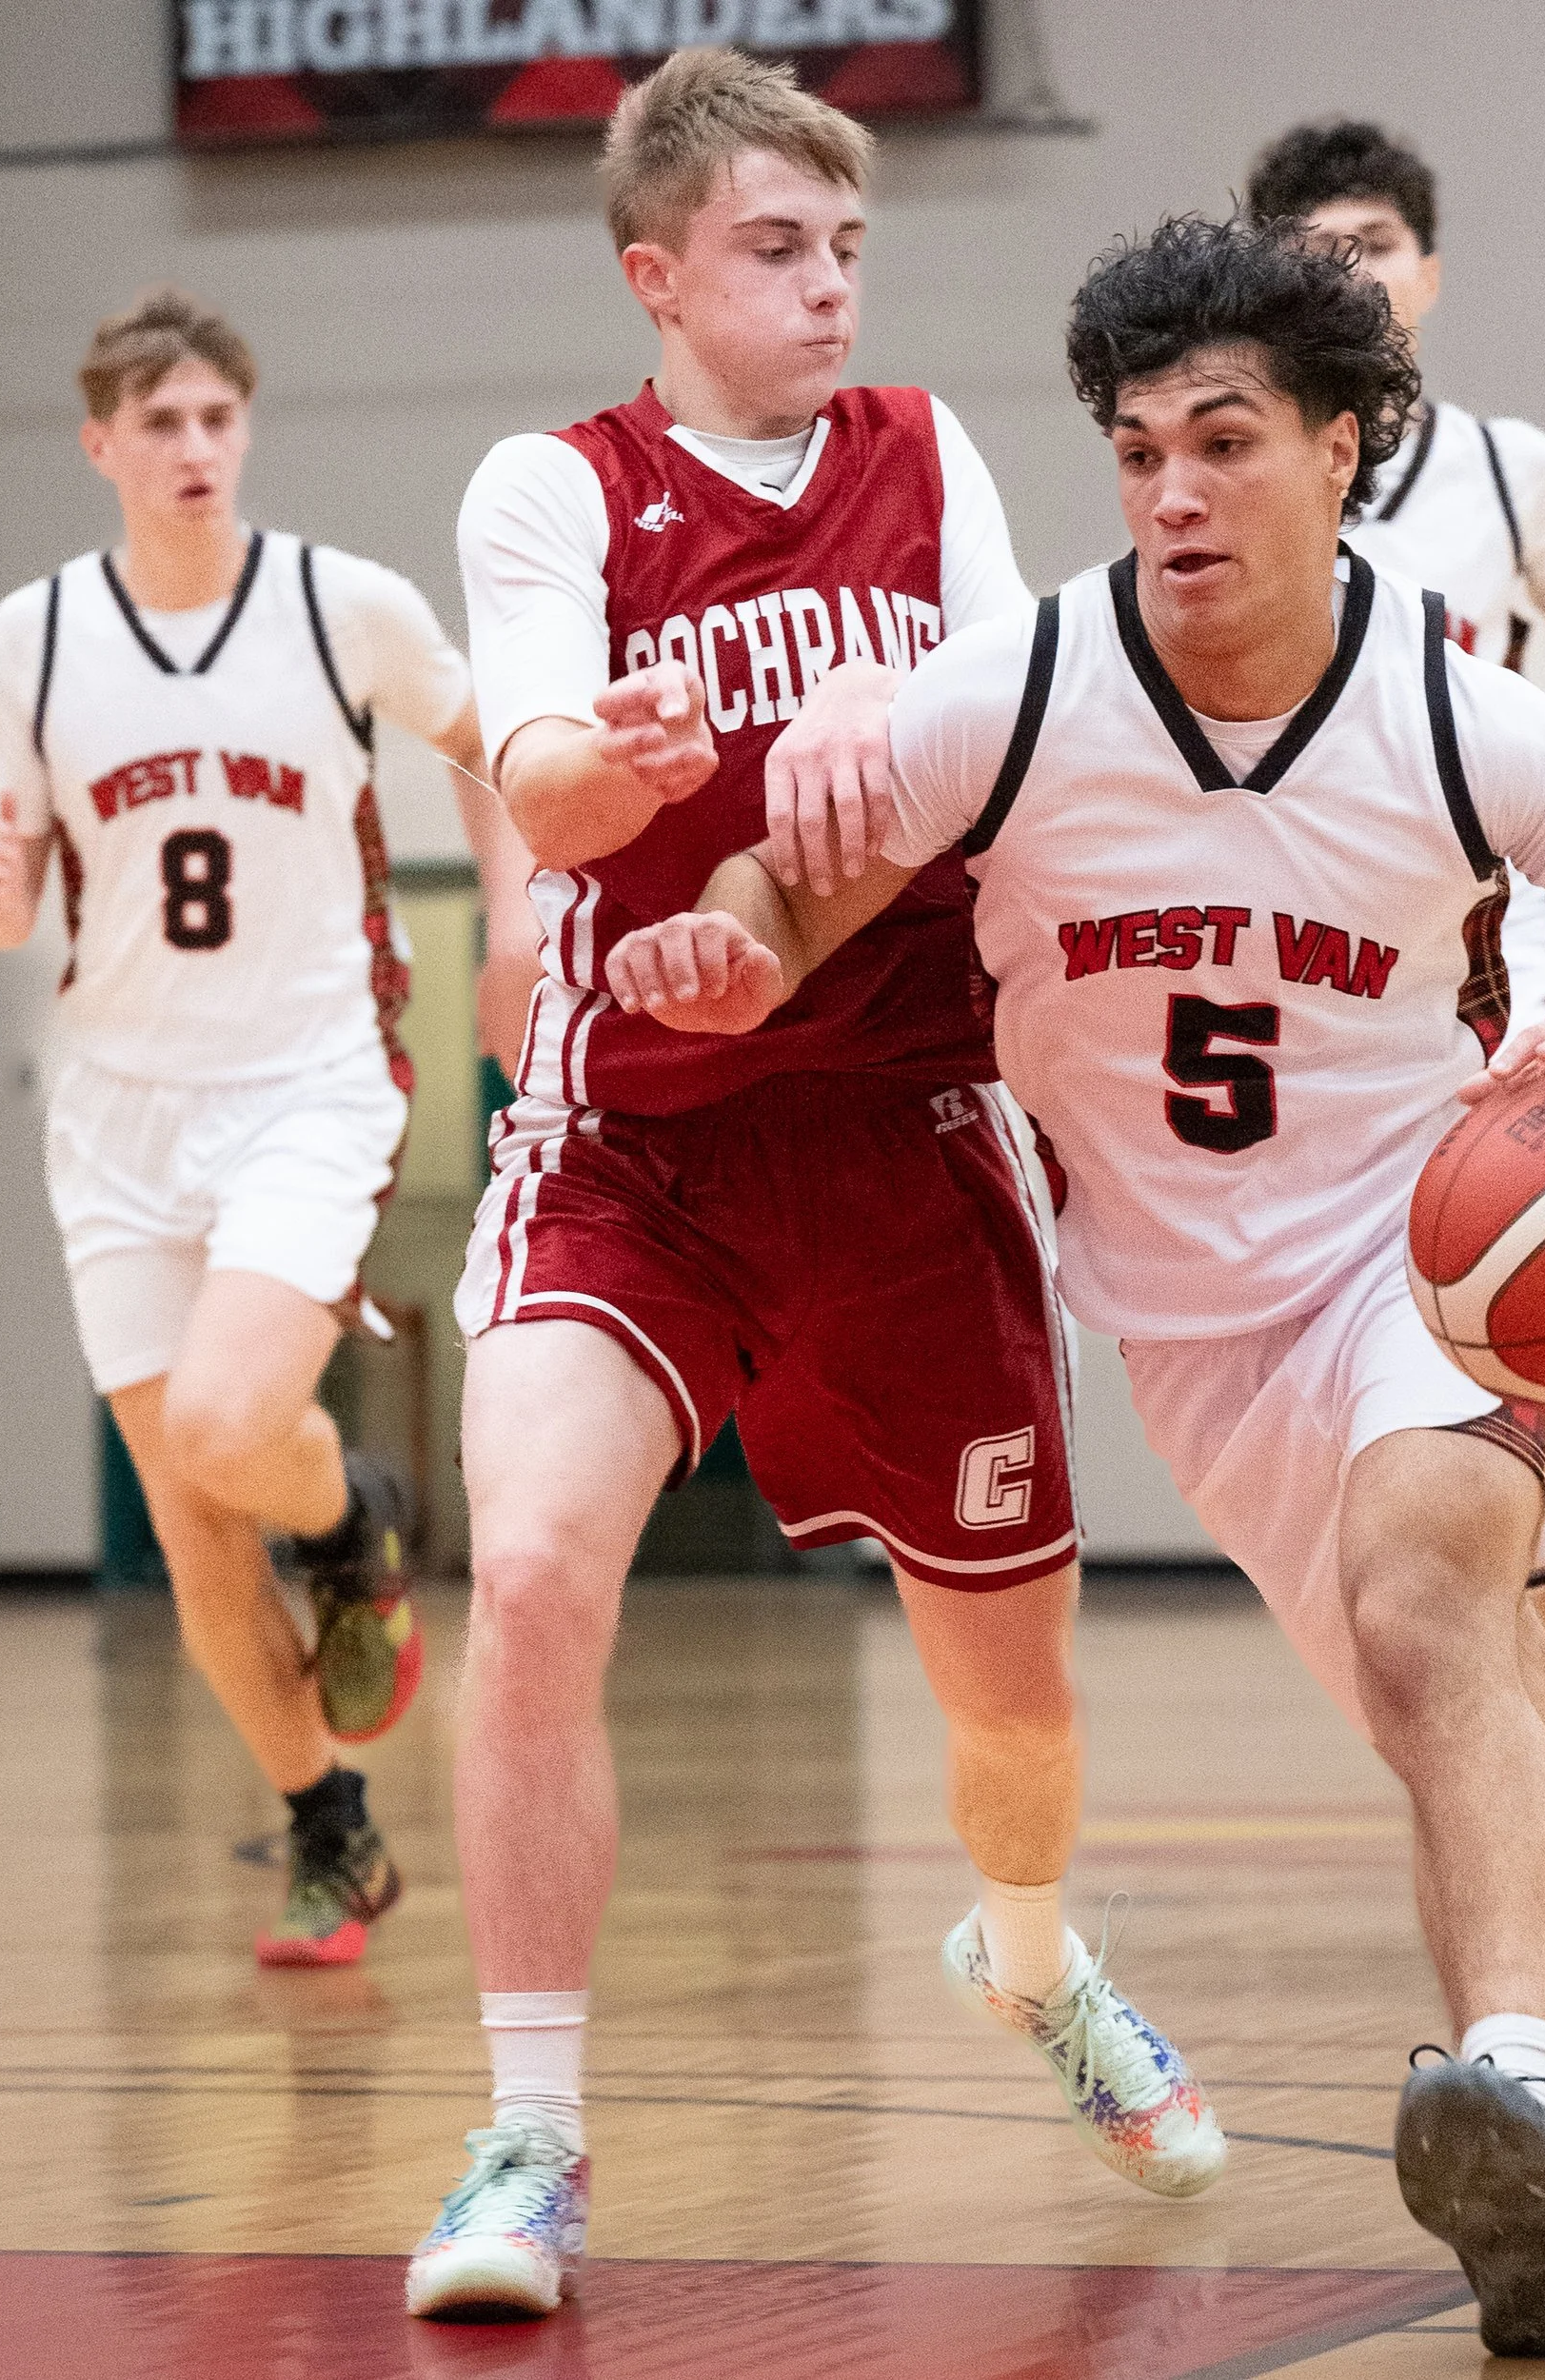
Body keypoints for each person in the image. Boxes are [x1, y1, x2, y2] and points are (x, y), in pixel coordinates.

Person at [607, 218, 1545, 2359]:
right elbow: (784, 889)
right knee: (1531, 1775)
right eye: (1134, 453)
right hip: (1188, 1329)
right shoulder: (1015, 689)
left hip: (1436, 1265)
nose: (1174, 492)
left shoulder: (1461, 721)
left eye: (1222, 440)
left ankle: (1517, 2124)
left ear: (1342, 447)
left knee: (1419, 1617)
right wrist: (728, 939)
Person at [405, 51, 1220, 2325]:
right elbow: (547, 783)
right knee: (546, 1565)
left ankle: (1034, 1958)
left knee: (1011, 1710)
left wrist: (769, 914)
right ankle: (529, 2133)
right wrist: (610, 770)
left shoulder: (925, 454)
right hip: (635, 1138)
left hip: (898, 1123)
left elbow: (979, 779)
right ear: (656, 277)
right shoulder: (553, 490)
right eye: (777, 248)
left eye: (847, 244)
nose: (828, 284)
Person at [0, 288, 536, 1967]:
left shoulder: (339, 604)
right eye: (160, 424)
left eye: (218, 418)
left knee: (228, 1420)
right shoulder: (35, 636)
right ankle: (328, 1833)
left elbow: (490, 743)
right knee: (190, 1517)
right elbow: (7, 893)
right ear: (101, 446)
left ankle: (353, 1515)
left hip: (309, 1083)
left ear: (245, 429)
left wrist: (509, 928)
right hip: (117, 1110)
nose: (195, 448)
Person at [1245, 123, 1545, 1815]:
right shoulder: (1241, 467)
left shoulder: (1514, 476)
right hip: (1295, 963)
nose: (1346, 268)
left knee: (1516, 1297)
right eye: (1310, 241)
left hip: (1491, 952)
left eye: (1373, 239)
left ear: (1428, 271)